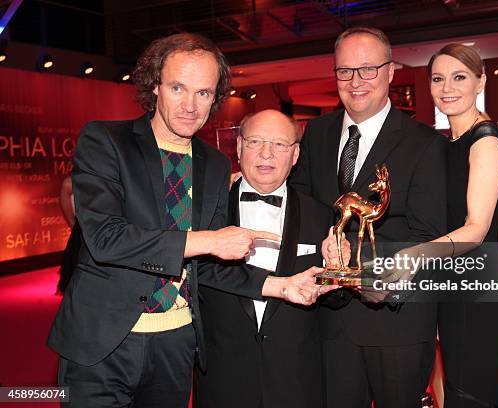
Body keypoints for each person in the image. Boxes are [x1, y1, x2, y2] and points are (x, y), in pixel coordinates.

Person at [48, 33, 331, 408]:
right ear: (155, 85)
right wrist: (208, 240)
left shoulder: (213, 165)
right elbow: (105, 238)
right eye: (179, 87)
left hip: (177, 344)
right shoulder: (106, 141)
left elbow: (206, 269)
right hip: (101, 342)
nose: (190, 105)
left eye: (203, 93)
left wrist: (281, 286)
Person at [290, 27, 448, 408]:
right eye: (345, 71)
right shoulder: (318, 133)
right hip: (327, 321)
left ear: (391, 71)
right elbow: (302, 208)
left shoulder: (424, 143)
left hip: (395, 324)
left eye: (368, 69)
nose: (355, 82)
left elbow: (429, 236)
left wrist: (356, 261)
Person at [388, 43, 498, 407]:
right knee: (459, 392)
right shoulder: (451, 142)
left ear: (480, 82)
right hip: (454, 282)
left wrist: (414, 255)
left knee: (475, 396)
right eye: (438, 79)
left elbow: (476, 229)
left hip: (479, 289)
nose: (447, 88)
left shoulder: (485, 143)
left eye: (459, 77)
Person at [195, 109, 340, 408]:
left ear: (295, 154)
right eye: (256, 142)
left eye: (279, 145)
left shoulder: (322, 215)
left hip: (297, 382)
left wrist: (337, 272)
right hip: (223, 381)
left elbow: (336, 303)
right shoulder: (204, 212)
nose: (266, 154)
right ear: (238, 147)